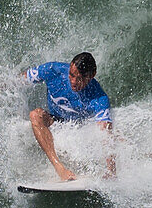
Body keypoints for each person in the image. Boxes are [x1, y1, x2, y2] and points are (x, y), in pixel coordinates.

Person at [24, 52, 114, 180]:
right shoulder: (53, 70)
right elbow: (20, 80)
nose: (74, 82)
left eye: (80, 78)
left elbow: (105, 134)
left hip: (81, 130)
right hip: (55, 121)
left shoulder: (98, 98)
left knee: (115, 135)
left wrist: (111, 171)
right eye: (71, 75)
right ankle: (60, 169)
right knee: (35, 115)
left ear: (92, 75)